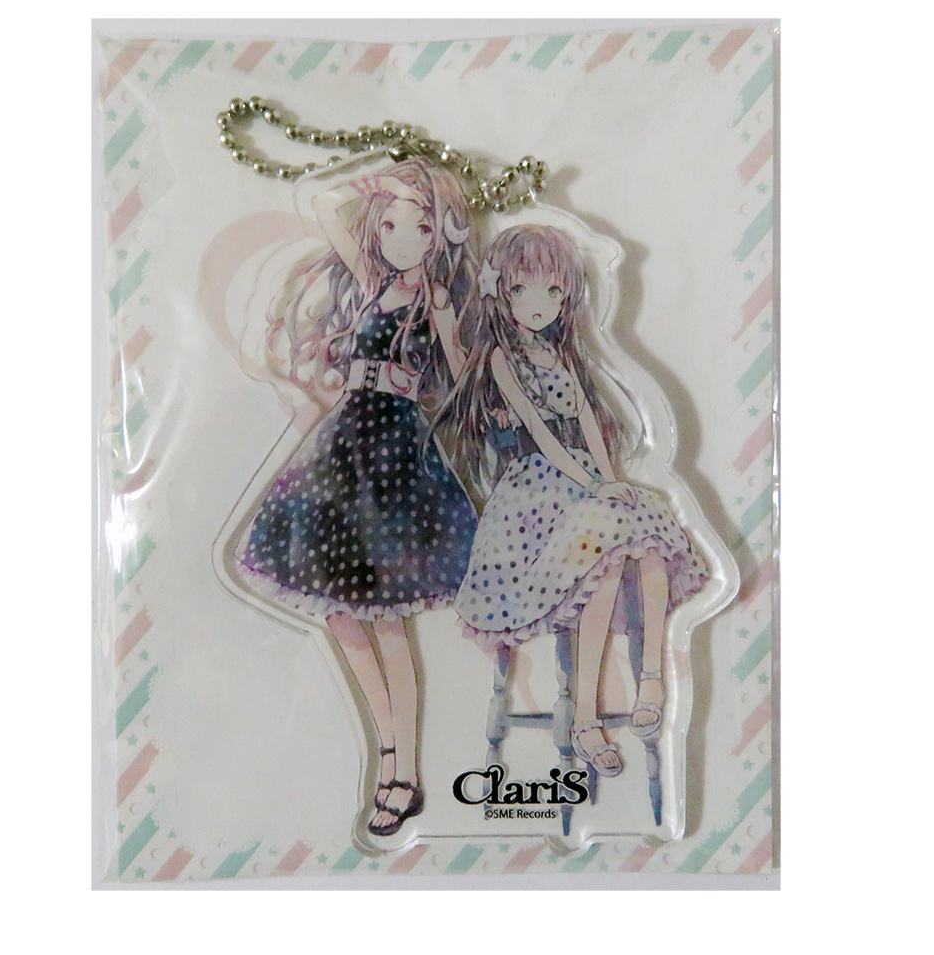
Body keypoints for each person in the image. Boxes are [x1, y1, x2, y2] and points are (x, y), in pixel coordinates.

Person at [236, 159, 478, 834]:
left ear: (443, 233)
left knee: (386, 616)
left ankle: (405, 771)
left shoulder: (438, 300)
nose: (403, 238)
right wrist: (387, 173)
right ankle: (391, 749)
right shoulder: (372, 281)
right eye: (391, 224)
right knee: (341, 614)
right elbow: (321, 202)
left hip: (397, 450)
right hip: (346, 440)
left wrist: (433, 380)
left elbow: (465, 378)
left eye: (421, 226)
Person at [443, 224, 708, 776]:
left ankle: (651, 681)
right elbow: (541, 433)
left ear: (567, 295)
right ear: (501, 292)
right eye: (522, 290)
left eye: (552, 291)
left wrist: (608, 478)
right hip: (534, 501)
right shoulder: (502, 359)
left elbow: (586, 418)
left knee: (651, 540)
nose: (537, 304)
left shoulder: (562, 355)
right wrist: (593, 483)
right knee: (603, 567)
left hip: (584, 480)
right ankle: (585, 720)